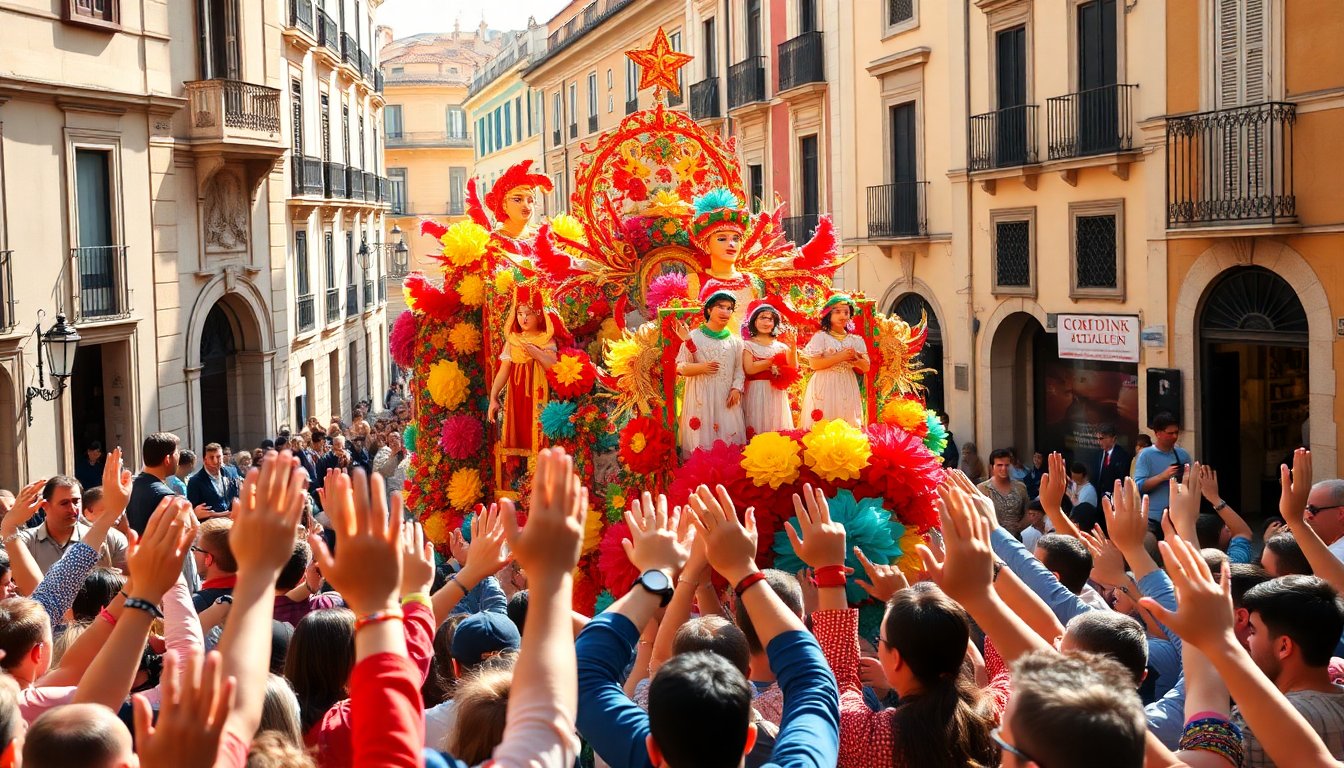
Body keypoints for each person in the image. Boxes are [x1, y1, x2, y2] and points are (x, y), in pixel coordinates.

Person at [575, 486, 841, 768]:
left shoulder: (645, 757)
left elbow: (584, 672)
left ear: (652, 748)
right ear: (749, 739)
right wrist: (742, 569)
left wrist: (658, 575)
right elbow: (811, 679)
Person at [487, 284, 563, 457]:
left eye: (528, 313)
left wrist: (536, 353)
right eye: (520, 314)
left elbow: (553, 367)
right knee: (516, 432)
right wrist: (493, 397)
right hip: (516, 398)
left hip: (538, 394)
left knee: (538, 435)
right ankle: (520, 478)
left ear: (538, 314)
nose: (523, 318)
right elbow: (504, 371)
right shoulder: (513, 340)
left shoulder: (545, 339)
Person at [674, 290, 746, 457]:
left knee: (728, 444)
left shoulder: (735, 341)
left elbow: (739, 370)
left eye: (729, 308)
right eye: (720, 307)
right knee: (702, 444)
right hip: (701, 397)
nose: (726, 312)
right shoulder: (693, 337)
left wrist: (736, 389)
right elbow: (680, 367)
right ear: (708, 310)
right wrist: (702, 368)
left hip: (726, 399)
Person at [15, 477, 128, 574]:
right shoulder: (25, 541)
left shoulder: (110, 539)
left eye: (76, 501)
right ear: (45, 506)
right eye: (64, 503)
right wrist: (11, 522)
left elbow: (125, 584)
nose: (73, 509)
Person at [800, 294, 869, 429]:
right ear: (828, 314)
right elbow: (814, 364)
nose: (842, 316)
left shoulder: (856, 340)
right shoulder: (821, 337)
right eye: (837, 312)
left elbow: (866, 367)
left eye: (846, 312)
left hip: (847, 383)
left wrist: (855, 358)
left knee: (847, 422)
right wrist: (841, 357)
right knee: (824, 423)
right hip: (825, 384)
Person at [740, 301, 797, 436]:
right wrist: (773, 361)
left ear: (775, 323)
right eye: (762, 318)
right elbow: (750, 369)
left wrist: (793, 348)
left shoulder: (781, 347)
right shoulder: (747, 345)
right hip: (756, 391)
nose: (766, 323)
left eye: (770, 319)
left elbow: (792, 368)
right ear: (754, 321)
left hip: (776, 393)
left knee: (776, 424)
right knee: (757, 424)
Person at [1132, 412, 1192, 536]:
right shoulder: (1145, 455)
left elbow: (1192, 485)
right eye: (1170, 433)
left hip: (1177, 519)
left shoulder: (1182, 455)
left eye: (1176, 432)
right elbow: (1138, 487)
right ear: (1158, 433)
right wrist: (1162, 476)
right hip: (1152, 521)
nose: (1174, 436)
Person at [125, 433, 182, 535]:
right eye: (177, 453)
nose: (179, 458)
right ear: (167, 459)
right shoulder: (164, 497)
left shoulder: (131, 487)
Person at [977, 448, 1029, 536]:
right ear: (992, 467)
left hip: (1017, 539)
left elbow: (1027, 512)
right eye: (999, 465)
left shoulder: (1020, 487)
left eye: (1007, 465)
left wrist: (1021, 525)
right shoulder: (982, 489)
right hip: (993, 540)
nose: (1004, 468)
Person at [192, 518, 238, 613]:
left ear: (209, 559)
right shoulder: (252, 594)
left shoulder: (198, 604)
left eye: (196, 548)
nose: (194, 552)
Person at [188, 443, 241, 521]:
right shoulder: (195, 481)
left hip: (232, 524)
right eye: (211, 458)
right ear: (205, 460)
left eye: (218, 457)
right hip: (210, 527)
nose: (215, 461)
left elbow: (238, 495)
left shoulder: (231, 472)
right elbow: (194, 513)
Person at [1095, 423, 1131, 492]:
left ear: (1113, 439)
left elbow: (1123, 479)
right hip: (1099, 497)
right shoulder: (1098, 454)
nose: (1098, 442)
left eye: (1101, 438)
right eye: (1097, 439)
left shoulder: (1123, 456)